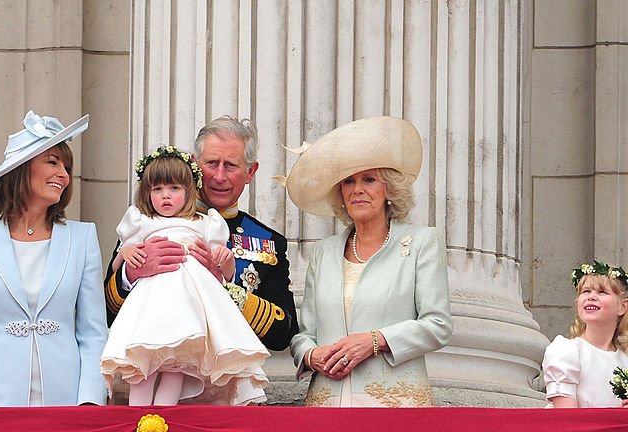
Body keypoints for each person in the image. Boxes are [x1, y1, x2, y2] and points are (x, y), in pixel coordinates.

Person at [281, 115, 452, 407]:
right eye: (349, 181)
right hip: (327, 405)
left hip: (395, 405)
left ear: (389, 189)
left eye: (369, 179)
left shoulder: (421, 242)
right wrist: (311, 355)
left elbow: (438, 325)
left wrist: (375, 341)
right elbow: (304, 335)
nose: (357, 189)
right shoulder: (323, 252)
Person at [0, 111, 107, 406]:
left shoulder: (83, 238)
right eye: (52, 161)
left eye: (66, 166)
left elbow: (94, 332)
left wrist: (90, 401)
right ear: (21, 167)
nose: (64, 174)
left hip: (66, 401)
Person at [104, 116, 296, 352]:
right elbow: (104, 312)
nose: (219, 176)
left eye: (231, 166)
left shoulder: (267, 241)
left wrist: (223, 287)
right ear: (194, 165)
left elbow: (283, 332)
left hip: (226, 373)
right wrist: (131, 274)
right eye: (212, 163)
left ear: (250, 172)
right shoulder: (149, 221)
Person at [100, 146, 269, 406]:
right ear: (147, 192)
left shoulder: (205, 223)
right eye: (157, 190)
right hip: (150, 306)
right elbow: (117, 264)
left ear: (189, 190)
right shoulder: (141, 221)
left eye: (174, 189)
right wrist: (129, 254)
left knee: (177, 368)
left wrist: (225, 262)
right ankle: (139, 424)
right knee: (144, 364)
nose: (165, 196)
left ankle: (164, 420)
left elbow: (223, 272)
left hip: (188, 307)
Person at [542, 261, 628, 408]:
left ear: (622, 307)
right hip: (578, 429)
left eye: (602, 292)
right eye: (586, 291)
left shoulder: (625, 358)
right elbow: (567, 418)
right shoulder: (567, 351)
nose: (591, 297)